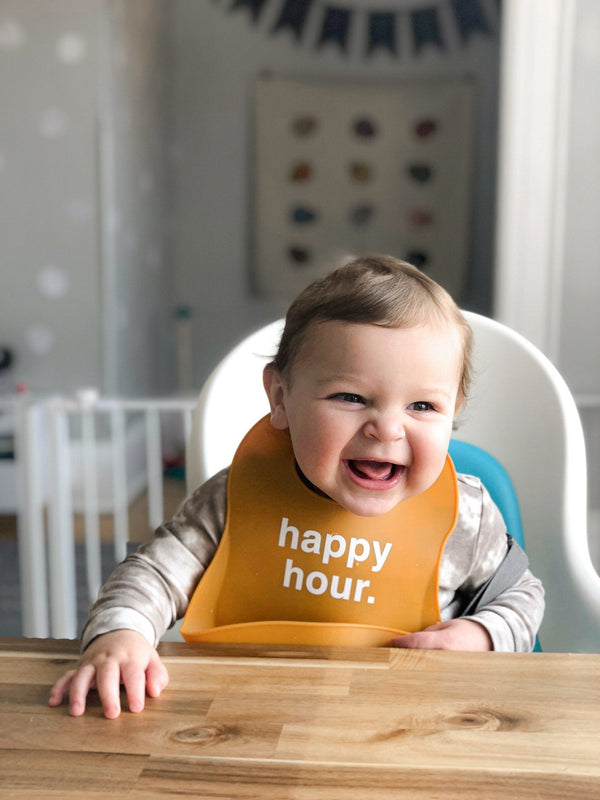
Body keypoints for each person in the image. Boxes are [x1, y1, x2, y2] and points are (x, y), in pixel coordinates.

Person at [48, 255, 544, 719]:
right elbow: (152, 574)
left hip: (411, 717)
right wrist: (121, 635)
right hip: (251, 713)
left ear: (453, 412)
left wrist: (482, 634)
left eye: (423, 407)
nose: (387, 429)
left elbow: (523, 596)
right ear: (280, 398)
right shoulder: (235, 501)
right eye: (352, 397)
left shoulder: (466, 515)